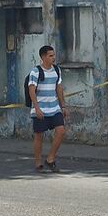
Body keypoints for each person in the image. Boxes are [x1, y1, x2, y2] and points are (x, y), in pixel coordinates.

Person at [28, 45, 66, 173]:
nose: (53, 58)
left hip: (54, 108)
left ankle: (50, 159)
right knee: (39, 136)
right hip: (41, 109)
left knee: (61, 131)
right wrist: (37, 108)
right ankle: (38, 162)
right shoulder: (36, 71)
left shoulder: (56, 70)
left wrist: (63, 106)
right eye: (50, 56)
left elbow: (59, 88)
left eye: (54, 55)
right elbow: (31, 91)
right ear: (43, 57)